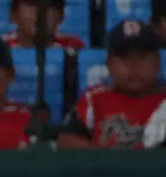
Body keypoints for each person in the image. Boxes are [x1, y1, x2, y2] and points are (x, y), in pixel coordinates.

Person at [57, 20, 166, 149]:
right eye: (125, 58)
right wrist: (102, 157)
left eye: (141, 57)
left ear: (158, 62)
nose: (134, 66)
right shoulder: (93, 99)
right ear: (109, 64)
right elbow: (65, 139)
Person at [2, 0, 85, 50]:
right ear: (14, 14)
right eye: (31, 5)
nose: (41, 13)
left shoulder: (72, 46)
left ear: (61, 16)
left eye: (50, 6)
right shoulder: (0, 47)